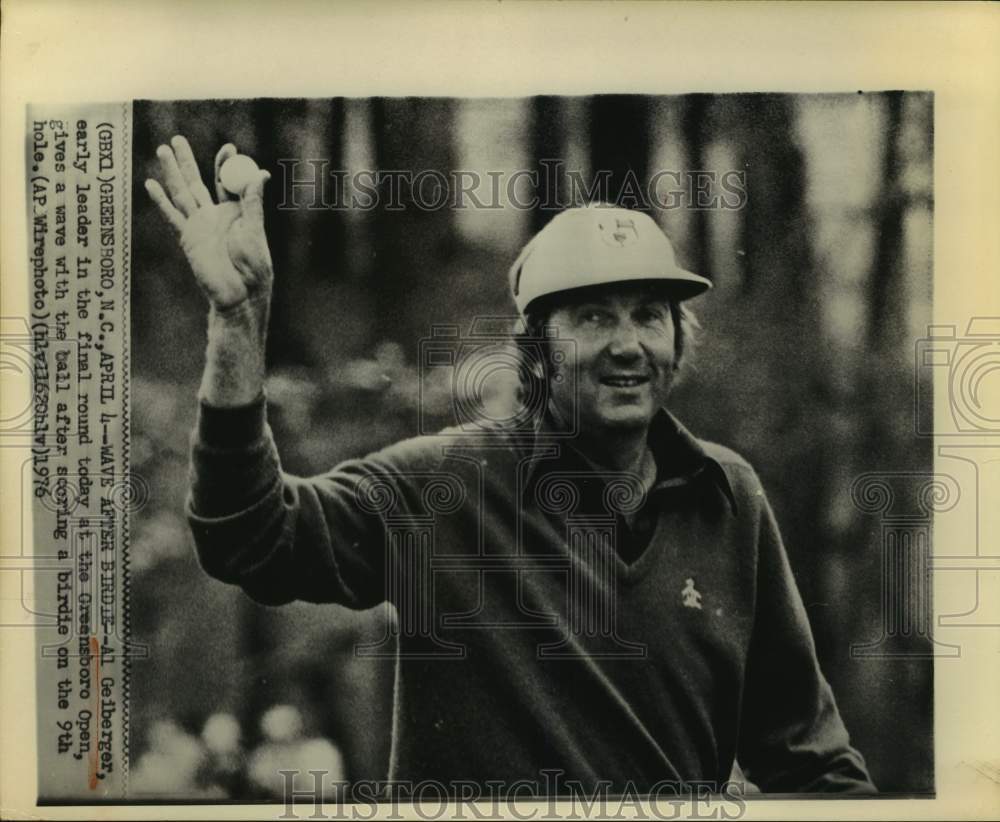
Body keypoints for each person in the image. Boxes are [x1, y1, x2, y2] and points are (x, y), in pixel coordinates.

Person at [146, 135, 876, 796]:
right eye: (593, 317)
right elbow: (249, 535)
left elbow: (809, 761)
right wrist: (239, 326)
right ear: (535, 352)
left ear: (677, 341)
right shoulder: (443, 485)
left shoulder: (727, 495)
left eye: (650, 314)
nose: (629, 344)